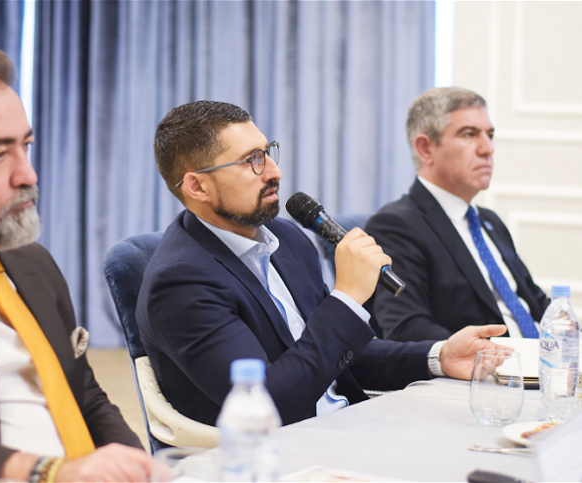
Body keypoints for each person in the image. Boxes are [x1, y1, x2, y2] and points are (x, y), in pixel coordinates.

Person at [136, 100, 509, 428]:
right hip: (278, 456)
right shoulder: (180, 283)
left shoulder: (286, 239)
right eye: (252, 161)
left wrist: (439, 356)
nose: (274, 172)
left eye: (267, 152)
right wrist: (347, 298)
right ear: (197, 187)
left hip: (348, 426)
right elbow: (268, 405)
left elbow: (339, 355)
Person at [0, 47, 166, 482]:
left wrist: (139, 466)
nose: (29, 175)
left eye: (26, 146)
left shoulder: (30, 261)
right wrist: (42, 471)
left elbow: (84, 393)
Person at [365, 86, 549, 343]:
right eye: (469, 134)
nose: (487, 149)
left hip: (543, 359)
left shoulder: (490, 221)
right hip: (491, 364)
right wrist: (499, 355)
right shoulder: (396, 226)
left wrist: (580, 344)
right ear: (425, 149)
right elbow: (406, 328)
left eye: (490, 135)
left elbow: (536, 302)